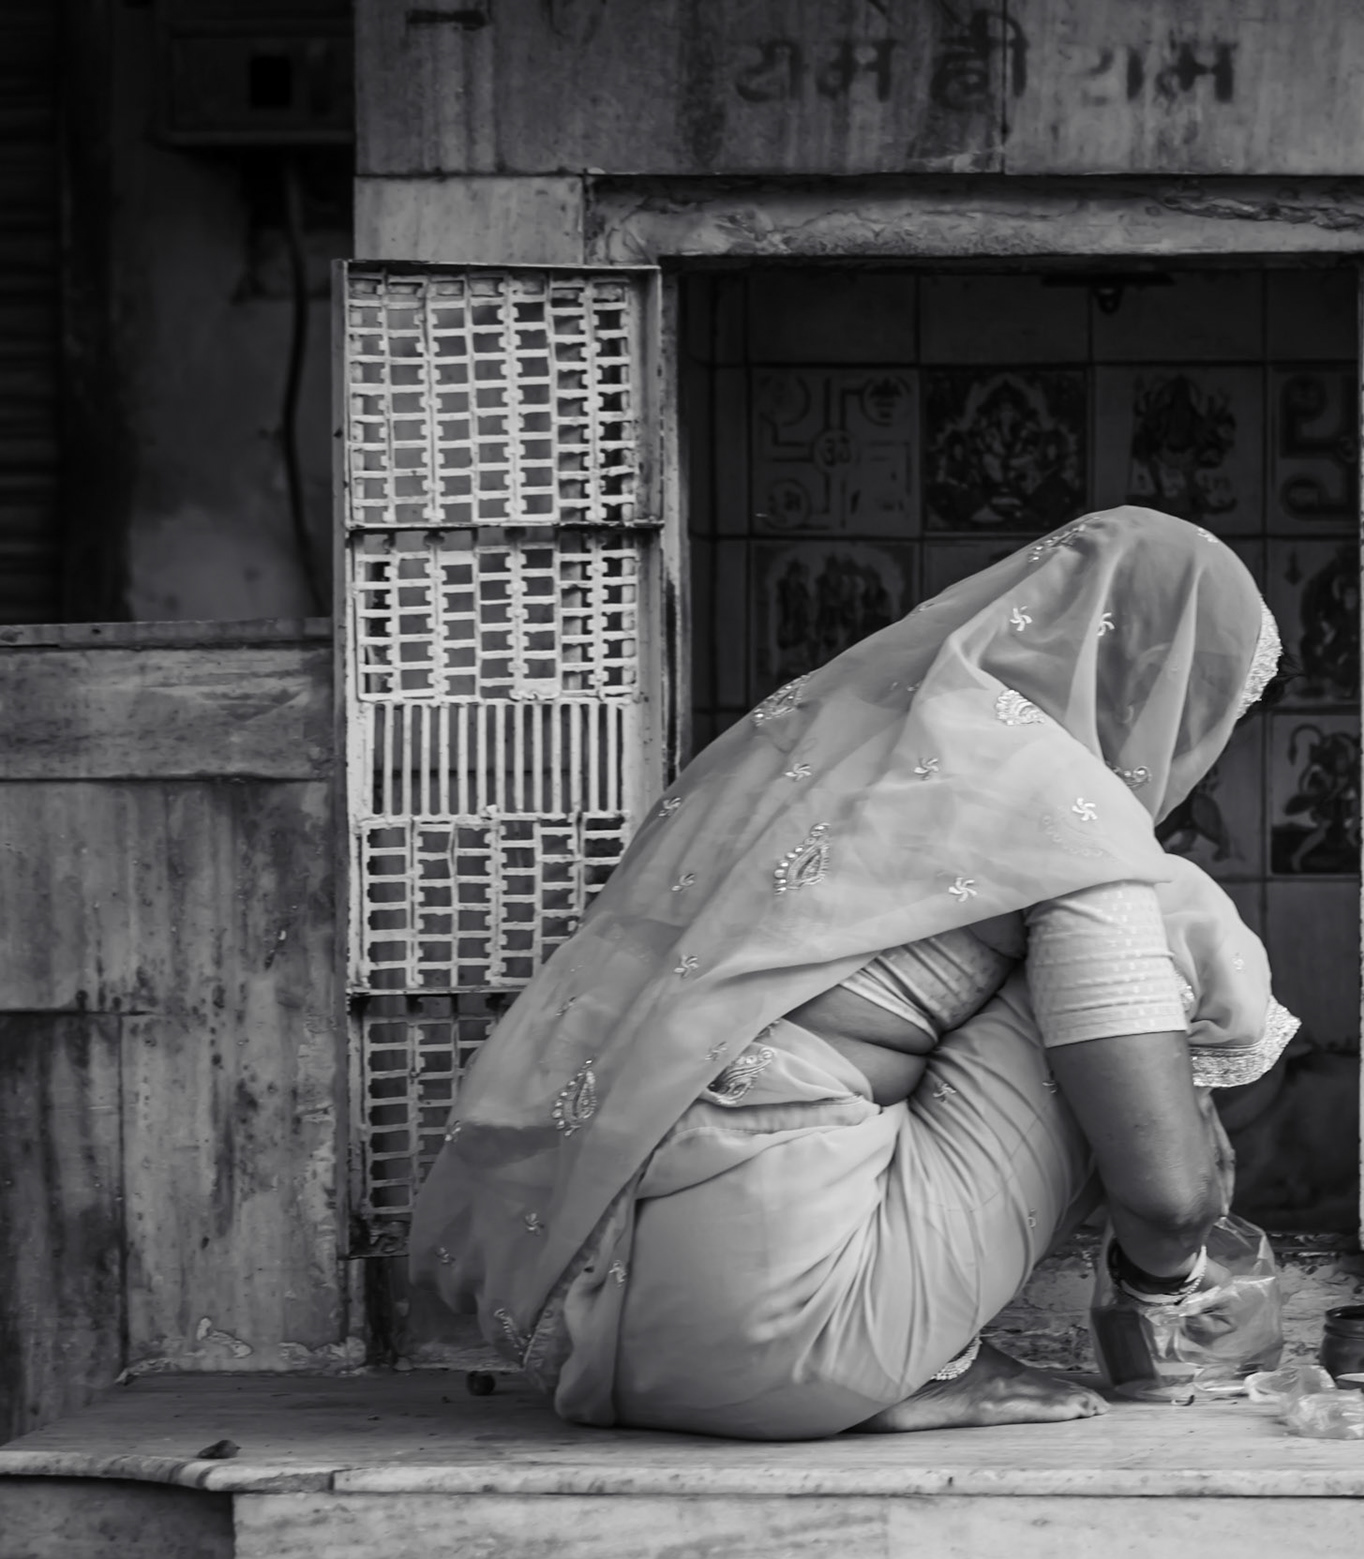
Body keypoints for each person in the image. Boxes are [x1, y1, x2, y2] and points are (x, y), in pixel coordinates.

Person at [410, 506, 1296, 1440]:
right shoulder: (1067, 812)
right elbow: (1167, 1197)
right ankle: (930, 1356)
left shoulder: (828, 748)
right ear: (1161, 689)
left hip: (600, 1335)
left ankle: (892, 1331)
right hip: (795, 1345)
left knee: (1094, 950)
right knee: (1156, 923)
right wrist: (1173, 1277)